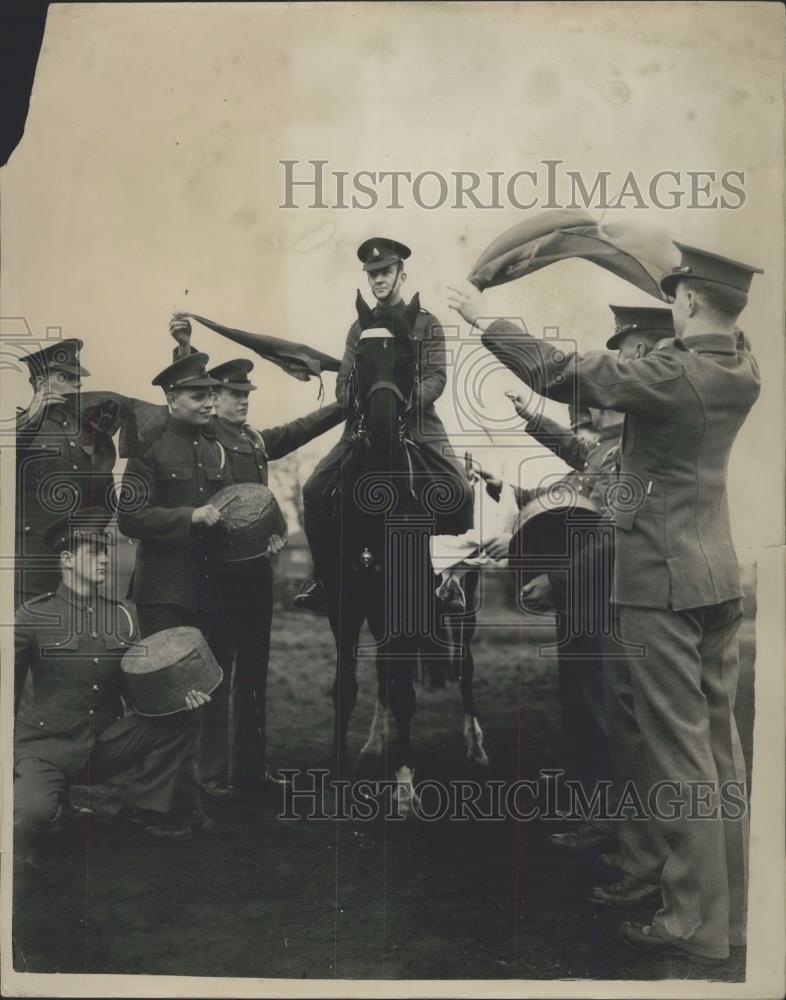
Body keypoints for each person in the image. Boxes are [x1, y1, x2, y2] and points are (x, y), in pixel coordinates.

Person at [448, 242, 762, 962]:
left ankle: (696, 923)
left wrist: (482, 314)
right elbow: (598, 442)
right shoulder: (742, 369)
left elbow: (562, 371)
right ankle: (728, 907)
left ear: (683, 305)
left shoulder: (671, 374)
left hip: (658, 585)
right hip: (716, 579)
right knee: (720, 753)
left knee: (676, 757)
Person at [14, 509, 211, 863]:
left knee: (180, 717)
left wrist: (180, 697)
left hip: (103, 745)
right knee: (34, 820)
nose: (104, 559)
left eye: (106, 551)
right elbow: (4, 694)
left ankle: (141, 808)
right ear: (67, 559)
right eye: (94, 552)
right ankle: (55, 804)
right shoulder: (32, 617)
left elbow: (138, 693)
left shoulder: (121, 616)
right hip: (48, 748)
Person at [296, 237, 473, 611]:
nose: (378, 279)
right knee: (313, 490)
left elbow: (436, 377)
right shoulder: (359, 327)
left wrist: (403, 406)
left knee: (459, 491)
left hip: (417, 424)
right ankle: (323, 579)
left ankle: (444, 582)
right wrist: (362, 405)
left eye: (385, 271)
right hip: (364, 426)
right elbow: (345, 382)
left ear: (401, 274)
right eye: (372, 273)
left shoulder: (427, 323)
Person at [196, 351, 343, 796]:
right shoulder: (202, 438)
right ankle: (211, 773)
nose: (243, 402)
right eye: (233, 394)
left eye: (246, 395)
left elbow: (297, 431)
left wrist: (343, 405)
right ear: (213, 396)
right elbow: (176, 403)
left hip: (257, 574)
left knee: (254, 672)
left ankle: (250, 770)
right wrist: (183, 350)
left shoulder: (255, 441)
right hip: (217, 575)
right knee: (217, 672)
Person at [116, 352, 229, 638]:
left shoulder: (215, 448)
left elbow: (230, 509)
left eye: (210, 396)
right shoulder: (149, 445)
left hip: (213, 592)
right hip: (163, 594)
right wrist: (190, 516)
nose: (208, 404)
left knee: (214, 680)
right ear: (172, 399)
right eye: (197, 397)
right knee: (170, 681)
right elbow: (130, 518)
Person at [15, 339, 117, 606]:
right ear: (40, 384)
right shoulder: (17, 427)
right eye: (66, 377)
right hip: (30, 570)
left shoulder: (87, 432)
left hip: (75, 573)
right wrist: (32, 416)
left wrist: (103, 446)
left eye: (78, 378)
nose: (78, 384)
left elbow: (106, 503)